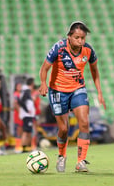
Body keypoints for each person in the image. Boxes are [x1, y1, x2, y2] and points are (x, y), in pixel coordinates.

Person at [39, 21, 106, 173]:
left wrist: (99, 91)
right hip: (57, 91)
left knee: (84, 122)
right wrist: (43, 83)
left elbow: (95, 71)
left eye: (83, 38)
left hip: (78, 89)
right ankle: (62, 156)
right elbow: (44, 68)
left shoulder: (88, 51)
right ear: (69, 37)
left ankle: (80, 162)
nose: (80, 41)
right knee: (63, 129)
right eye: (77, 37)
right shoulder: (59, 48)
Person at [19, 78, 36, 153]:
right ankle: (23, 147)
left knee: (28, 131)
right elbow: (21, 101)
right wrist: (27, 110)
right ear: (32, 84)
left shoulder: (24, 90)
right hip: (27, 115)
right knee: (26, 131)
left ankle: (27, 147)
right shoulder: (27, 91)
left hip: (27, 115)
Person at [13, 82, 23, 153]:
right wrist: (20, 112)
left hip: (22, 114)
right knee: (18, 130)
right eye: (18, 86)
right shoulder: (16, 94)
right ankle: (17, 147)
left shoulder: (21, 94)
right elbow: (15, 104)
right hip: (18, 114)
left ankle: (20, 145)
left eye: (20, 86)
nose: (20, 87)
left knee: (22, 129)